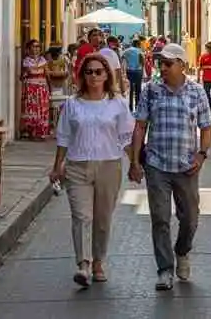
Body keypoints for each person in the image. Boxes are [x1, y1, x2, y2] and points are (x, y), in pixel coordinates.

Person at [129, 42, 211, 291]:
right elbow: (140, 126)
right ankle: (165, 269)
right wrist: (135, 161)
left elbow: (206, 128)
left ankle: (182, 251)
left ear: (181, 65)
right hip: (157, 165)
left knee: (190, 219)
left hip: (187, 167)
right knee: (160, 218)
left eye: (167, 64)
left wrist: (201, 154)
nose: (162, 68)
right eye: (160, 64)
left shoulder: (196, 91)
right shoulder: (150, 90)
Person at [50, 53, 135, 286]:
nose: (94, 76)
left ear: (107, 75)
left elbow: (126, 136)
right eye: (89, 72)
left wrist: (137, 164)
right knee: (81, 216)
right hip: (77, 166)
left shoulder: (117, 103)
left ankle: (99, 261)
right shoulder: (72, 104)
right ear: (82, 76)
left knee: (102, 218)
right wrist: (57, 166)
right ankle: (83, 265)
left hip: (109, 165)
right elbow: (64, 137)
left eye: (99, 71)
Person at [21, 41, 51, 140]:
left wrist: (49, 88)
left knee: (42, 109)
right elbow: (22, 76)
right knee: (31, 109)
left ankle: (41, 133)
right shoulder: (26, 61)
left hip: (42, 88)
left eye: (38, 46)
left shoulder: (43, 61)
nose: (36, 48)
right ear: (29, 48)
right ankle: (31, 132)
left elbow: (47, 75)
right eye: (34, 46)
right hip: (31, 89)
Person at [121, 37, 146, 110]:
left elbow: (122, 60)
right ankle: (138, 106)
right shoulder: (140, 51)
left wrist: (124, 70)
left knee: (130, 89)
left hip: (129, 71)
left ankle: (130, 107)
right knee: (138, 89)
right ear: (138, 44)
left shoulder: (126, 51)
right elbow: (142, 62)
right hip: (138, 71)